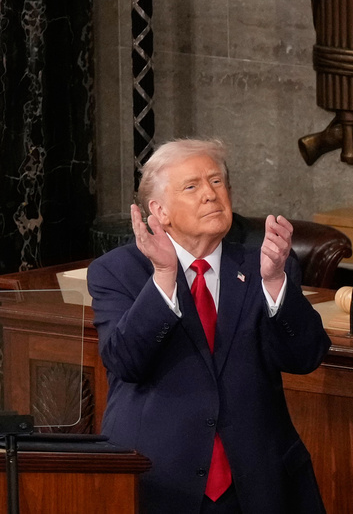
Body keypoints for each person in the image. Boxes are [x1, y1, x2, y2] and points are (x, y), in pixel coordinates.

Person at [87, 139, 330, 514]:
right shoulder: (118, 271)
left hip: (257, 484)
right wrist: (165, 276)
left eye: (217, 182)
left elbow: (305, 356)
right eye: (193, 186)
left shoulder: (263, 266)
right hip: (157, 482)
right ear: (159, 211)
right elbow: (125, 361)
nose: (210, 195)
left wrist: (275, 283)